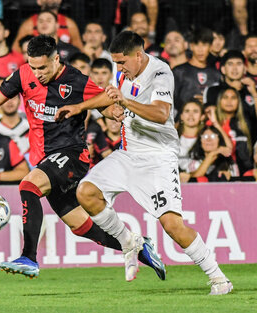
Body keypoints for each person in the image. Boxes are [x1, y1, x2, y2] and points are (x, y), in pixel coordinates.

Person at [56, 31, 233, 295]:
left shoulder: (161, 73)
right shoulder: (124, 72)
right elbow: (111, 96)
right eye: (115, 62)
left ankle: (219, 279)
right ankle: (130, 242)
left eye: (122, 62)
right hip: (127, 153)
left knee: (173, 226)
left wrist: (127, 102)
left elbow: (161, 114)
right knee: (87, 192)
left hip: (158, 159)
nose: (119, 68)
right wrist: (81, 107)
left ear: (138, 55)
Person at [0, 35, 124, 278]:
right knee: (80, 226)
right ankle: (138, 246)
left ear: (56, 59)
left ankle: (29, 257)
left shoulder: (75, 80)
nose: (36, 73)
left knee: (28, 186)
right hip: (45, 159)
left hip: (72, 154)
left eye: (42, 67)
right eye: (33, 66)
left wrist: (115, 112)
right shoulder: (23, 74)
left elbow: (103, 102)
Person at [204, 50, 257, 143]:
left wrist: (254, 93)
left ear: (245, 69)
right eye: (230, 64)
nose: (235, 68)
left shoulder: (254, 90)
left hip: (250, 145)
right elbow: (209, 120)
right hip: (221, 143)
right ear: (223, 69)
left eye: (239, 64)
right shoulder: (213, 91)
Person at [173, 28, 221, 119]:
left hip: (209, 123)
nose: (200, 50)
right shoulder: (178, 72)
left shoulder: (216, 74)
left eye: (204, 45)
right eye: (196, 45)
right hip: (183, 123)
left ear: (210, 47)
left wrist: (207, 101)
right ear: (191, 46)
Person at [12, 0, 83, 52]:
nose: (44, 24)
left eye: (49, 21)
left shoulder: (68, 23)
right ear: (39, 1)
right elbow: (16, 51)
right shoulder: (29, 24)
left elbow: (79, 51)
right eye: (41, 21)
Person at [214, 87, 253, 174]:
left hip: (245, 173)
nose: (229, 101)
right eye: (225, 97)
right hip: (219, 172)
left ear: (239, 102)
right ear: (219, 100)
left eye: (233, 98)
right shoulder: (212, 123)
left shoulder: (246, 123)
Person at [177, 99, 205, 173]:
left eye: (195, 111)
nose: (191, 115)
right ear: (182, 116)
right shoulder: (172, 138)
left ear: (202, 117)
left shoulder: (207, 139)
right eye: (187, 111)